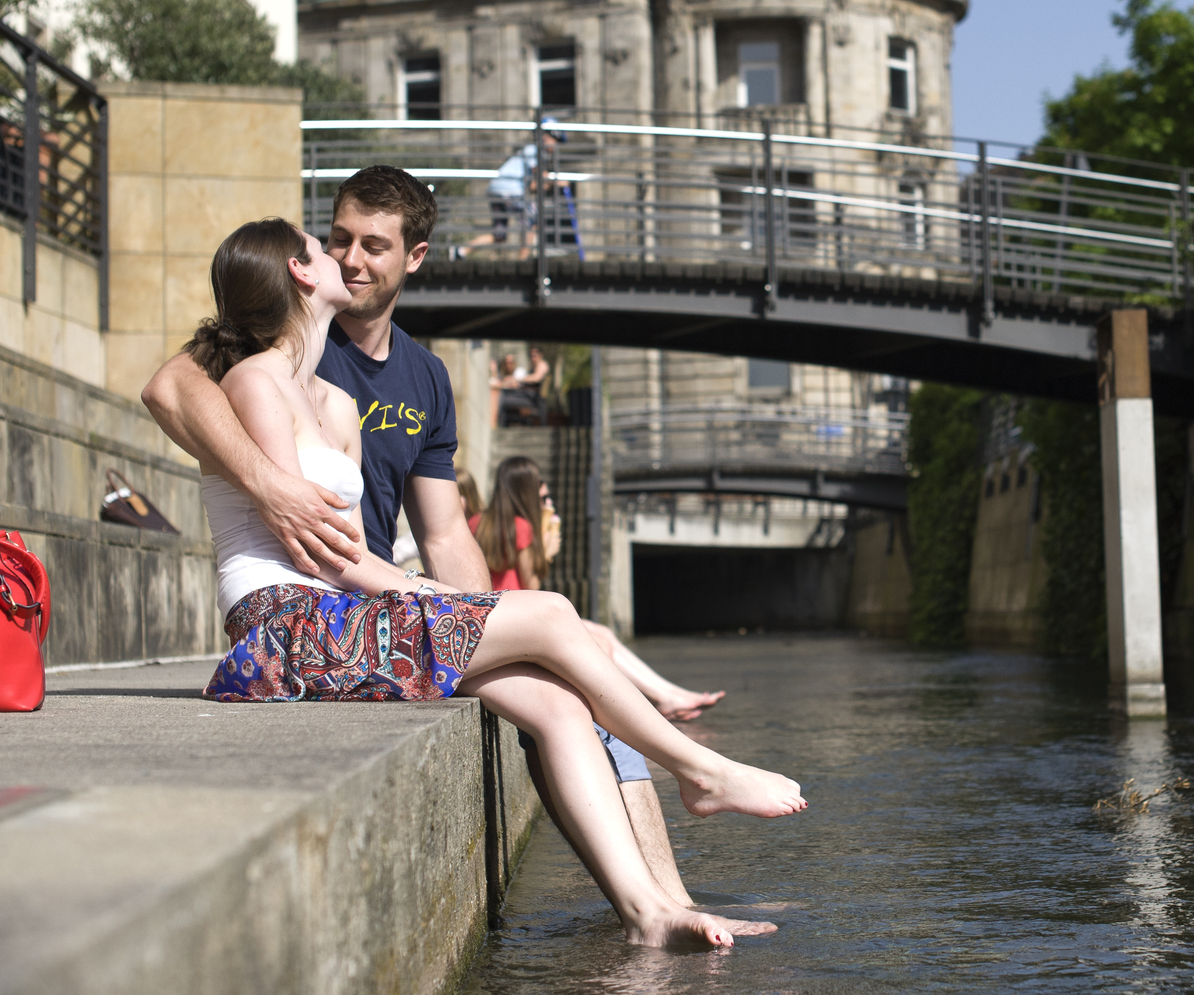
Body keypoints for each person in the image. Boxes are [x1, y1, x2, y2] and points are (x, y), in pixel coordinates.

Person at [168, 215, 800, 948]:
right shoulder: (253, 383)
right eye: (322, 246)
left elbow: (354, 548)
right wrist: (434, 595)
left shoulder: (337, 403)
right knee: (554, 611)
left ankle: (649, 913)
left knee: (558, 703)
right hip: (286, 626)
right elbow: (311, 552)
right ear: (299, 272)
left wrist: (431, 594)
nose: (339, 255)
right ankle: (701, 769)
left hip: (345, 616)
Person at [475, 455, 725, 722]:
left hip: (495, 616)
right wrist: (546, 554)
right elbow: (531, 587)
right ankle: (663, 698)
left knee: (601, 631)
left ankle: (668, 693)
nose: (547, 505)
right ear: (525, 492)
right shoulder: (522, 527)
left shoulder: (478, 522)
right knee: (601, 639)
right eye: (542, 498)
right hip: (519, 619)